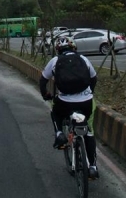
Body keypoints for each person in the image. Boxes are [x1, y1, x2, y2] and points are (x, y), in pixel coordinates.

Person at [39, 36, 99, 180]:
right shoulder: (83, 59)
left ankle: (60, 133)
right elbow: (94, 78)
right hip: (86, 102)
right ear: (74, 47)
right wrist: (89, 93)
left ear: (58, 50)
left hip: (65, 102)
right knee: (89, 132)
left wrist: (46, 94)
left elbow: (43, 80)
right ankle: (92, 167)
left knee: (55, 112)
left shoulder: (55, 61)